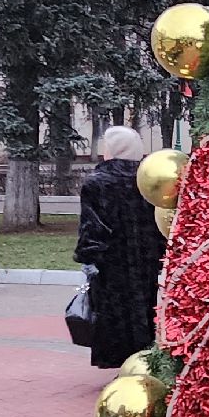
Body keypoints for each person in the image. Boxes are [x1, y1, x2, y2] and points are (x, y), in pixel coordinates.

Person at [74, 126, 169, 368]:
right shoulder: (150, 180)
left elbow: (92, 226)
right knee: (145, 309)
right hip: (146, 259)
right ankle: (145, 360)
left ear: (113, 149)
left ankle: (122, 363)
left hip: (110, 262)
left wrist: (88, 257)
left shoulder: (97, 183)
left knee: (113, 313)